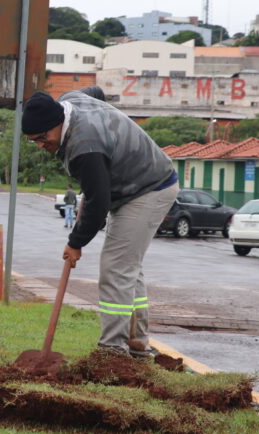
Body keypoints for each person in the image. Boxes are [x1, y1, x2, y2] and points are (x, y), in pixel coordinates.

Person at [22, 90, 178, 358]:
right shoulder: (69, 100)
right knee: (127, 266)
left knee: (116, 268)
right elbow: (94, 93)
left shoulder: (86, 146)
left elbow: (97, 205)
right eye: (33, 140)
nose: (40, 145)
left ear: (57, 123)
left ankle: (112, 350)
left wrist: (75, 242)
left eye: (42, 138)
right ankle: (137, 341)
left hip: (148, 188)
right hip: (130, 186)